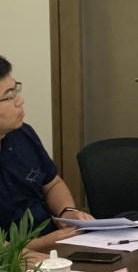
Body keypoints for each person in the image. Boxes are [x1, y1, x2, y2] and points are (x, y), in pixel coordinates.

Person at [0, 56, 94, 251]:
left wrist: (67, 212)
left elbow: (52, 184)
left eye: (17, 90)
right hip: (13, 260)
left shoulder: (22, 134)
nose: (20, 101)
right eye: (10, 96)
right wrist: (42, 244)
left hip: (54, 243)